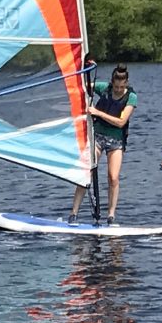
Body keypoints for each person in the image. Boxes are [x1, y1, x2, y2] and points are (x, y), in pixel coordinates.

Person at [70, 64, 136, 225]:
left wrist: (97, 112)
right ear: (112, 83)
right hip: (98, 137)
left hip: (116, 141)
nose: (119, 89)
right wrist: (85, 74)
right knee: (88, 172)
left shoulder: (131, 97)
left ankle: (111, 216)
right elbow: (82, 86)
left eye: (122, 86)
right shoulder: (104, 88)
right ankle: (73, 213)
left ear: (126, 83)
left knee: (113, 177)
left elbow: (121, 122)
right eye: (116, 86)